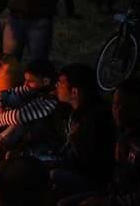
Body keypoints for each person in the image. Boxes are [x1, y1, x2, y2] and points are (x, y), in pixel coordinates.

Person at [66, 78, 140, 206]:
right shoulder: (121, 132)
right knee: (66, 205)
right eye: (116, 105)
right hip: (110, 192)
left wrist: (106, 202)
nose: (119, 112)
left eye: (127, 106)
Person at [0, 60, 59, 170]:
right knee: (12, 100)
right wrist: (0, 105)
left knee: (20, 119)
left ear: (45, 81)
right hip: (17, 132)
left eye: (30, 81)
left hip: (37, 145)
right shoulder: (37, 87)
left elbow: (20, 115)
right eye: (25, 80)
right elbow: (8, 93)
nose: (25, 84)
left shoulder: (51, 102)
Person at [48, 64, 116, 196]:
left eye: (61, 82)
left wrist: (75, 142)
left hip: (95, 181)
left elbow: (90, 164)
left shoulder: (95, 120)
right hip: (72, 164)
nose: (56, 85)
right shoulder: (72, 112)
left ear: (74, 91)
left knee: (51, 175)